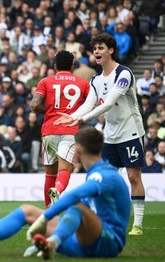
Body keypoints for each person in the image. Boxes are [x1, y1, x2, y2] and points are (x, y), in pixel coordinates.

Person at [0, 127, 131, 259]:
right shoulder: (97, 173)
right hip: (84, 242)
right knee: (27, 210)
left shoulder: (105, 175)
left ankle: (53, 242)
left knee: (75, 204)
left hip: (109, 243)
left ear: (77, 149)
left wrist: (45, 219)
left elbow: (74, 198)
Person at [55, 32, 146, 236]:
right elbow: (89, 104)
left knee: (133, 176)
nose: (96, 51)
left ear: (111, 50)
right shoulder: (95, 79)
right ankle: (105, 221)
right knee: (104, 179)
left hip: (131, 131)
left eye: (101, 48)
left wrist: (81, 119)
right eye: (95, 48)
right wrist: (72, 116)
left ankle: (138, 224)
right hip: (111, 134)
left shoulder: (124, 74)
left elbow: (109, 103)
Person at [30, 50, 90, 207]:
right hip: (70, 130)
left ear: (55, 65)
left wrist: (48, 113)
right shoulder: (82, 83)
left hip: (49, 130)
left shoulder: (46, 81)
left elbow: (34, 105)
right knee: (66, 169)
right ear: (72, 65)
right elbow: (92, 103)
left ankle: (48, 210)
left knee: (50, 173)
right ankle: (57, 190)